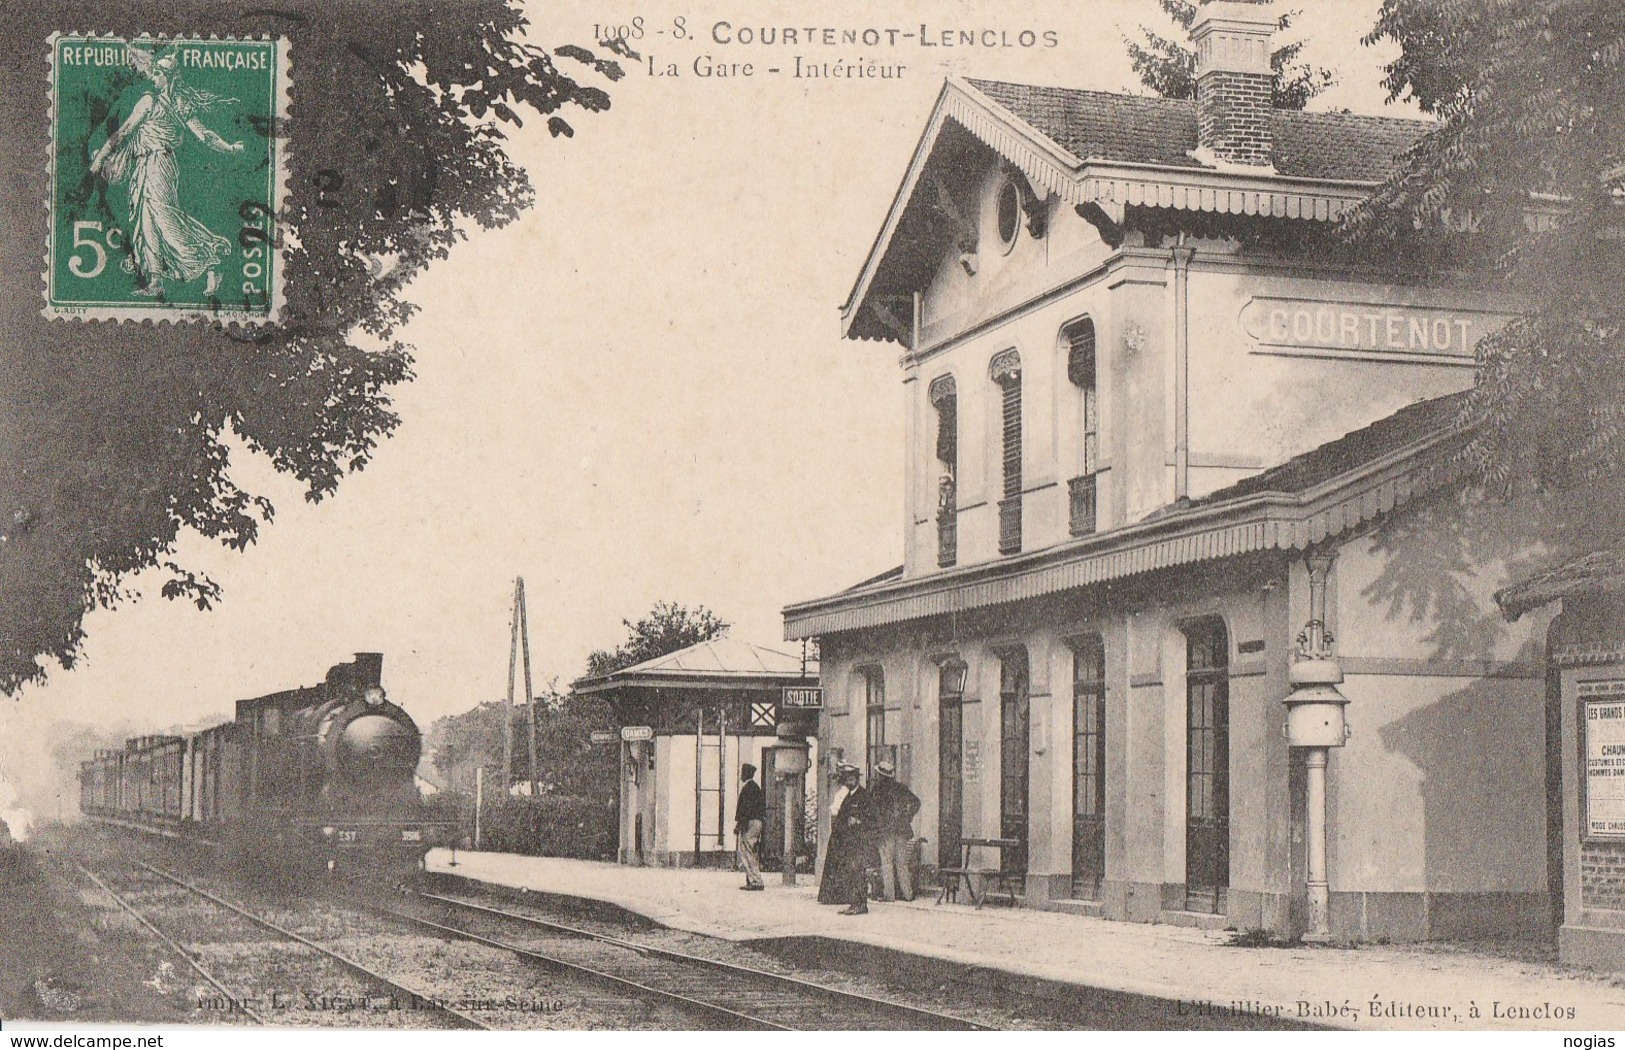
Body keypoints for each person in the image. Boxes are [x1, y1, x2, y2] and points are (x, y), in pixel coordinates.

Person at [88, 46, 243, 299]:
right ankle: (156, 281)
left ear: (169, 76)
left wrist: (230, 148)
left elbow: (202, 134)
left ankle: (211, 261)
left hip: (161, 164)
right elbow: (124, 132)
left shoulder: (171, 103)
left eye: (158, 73)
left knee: (163, 218)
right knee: (144, 219)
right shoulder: (150, 100)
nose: (153, 77)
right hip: (143, 165)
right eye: (154, 72)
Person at [869, 760, 921, 902]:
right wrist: (907, 816)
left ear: (880, 774)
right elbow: (916, 802)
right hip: (902, 830)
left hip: (885, 831)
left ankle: (889, 895)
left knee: (887, 863)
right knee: (902, 863)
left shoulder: (877, 790)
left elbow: (871, 810)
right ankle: (908, 894)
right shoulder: (900, 788)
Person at [734, 763, 766, 890]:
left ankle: (756, 881)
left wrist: (739, 824)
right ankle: (752, 879)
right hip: (756, 822)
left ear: (746, 774)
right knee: (750, 850)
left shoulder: (748, 788)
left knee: (747, 851)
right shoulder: (755, 787)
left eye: (742, 772)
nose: (741, 775)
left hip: (750, 822)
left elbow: (745, 809)